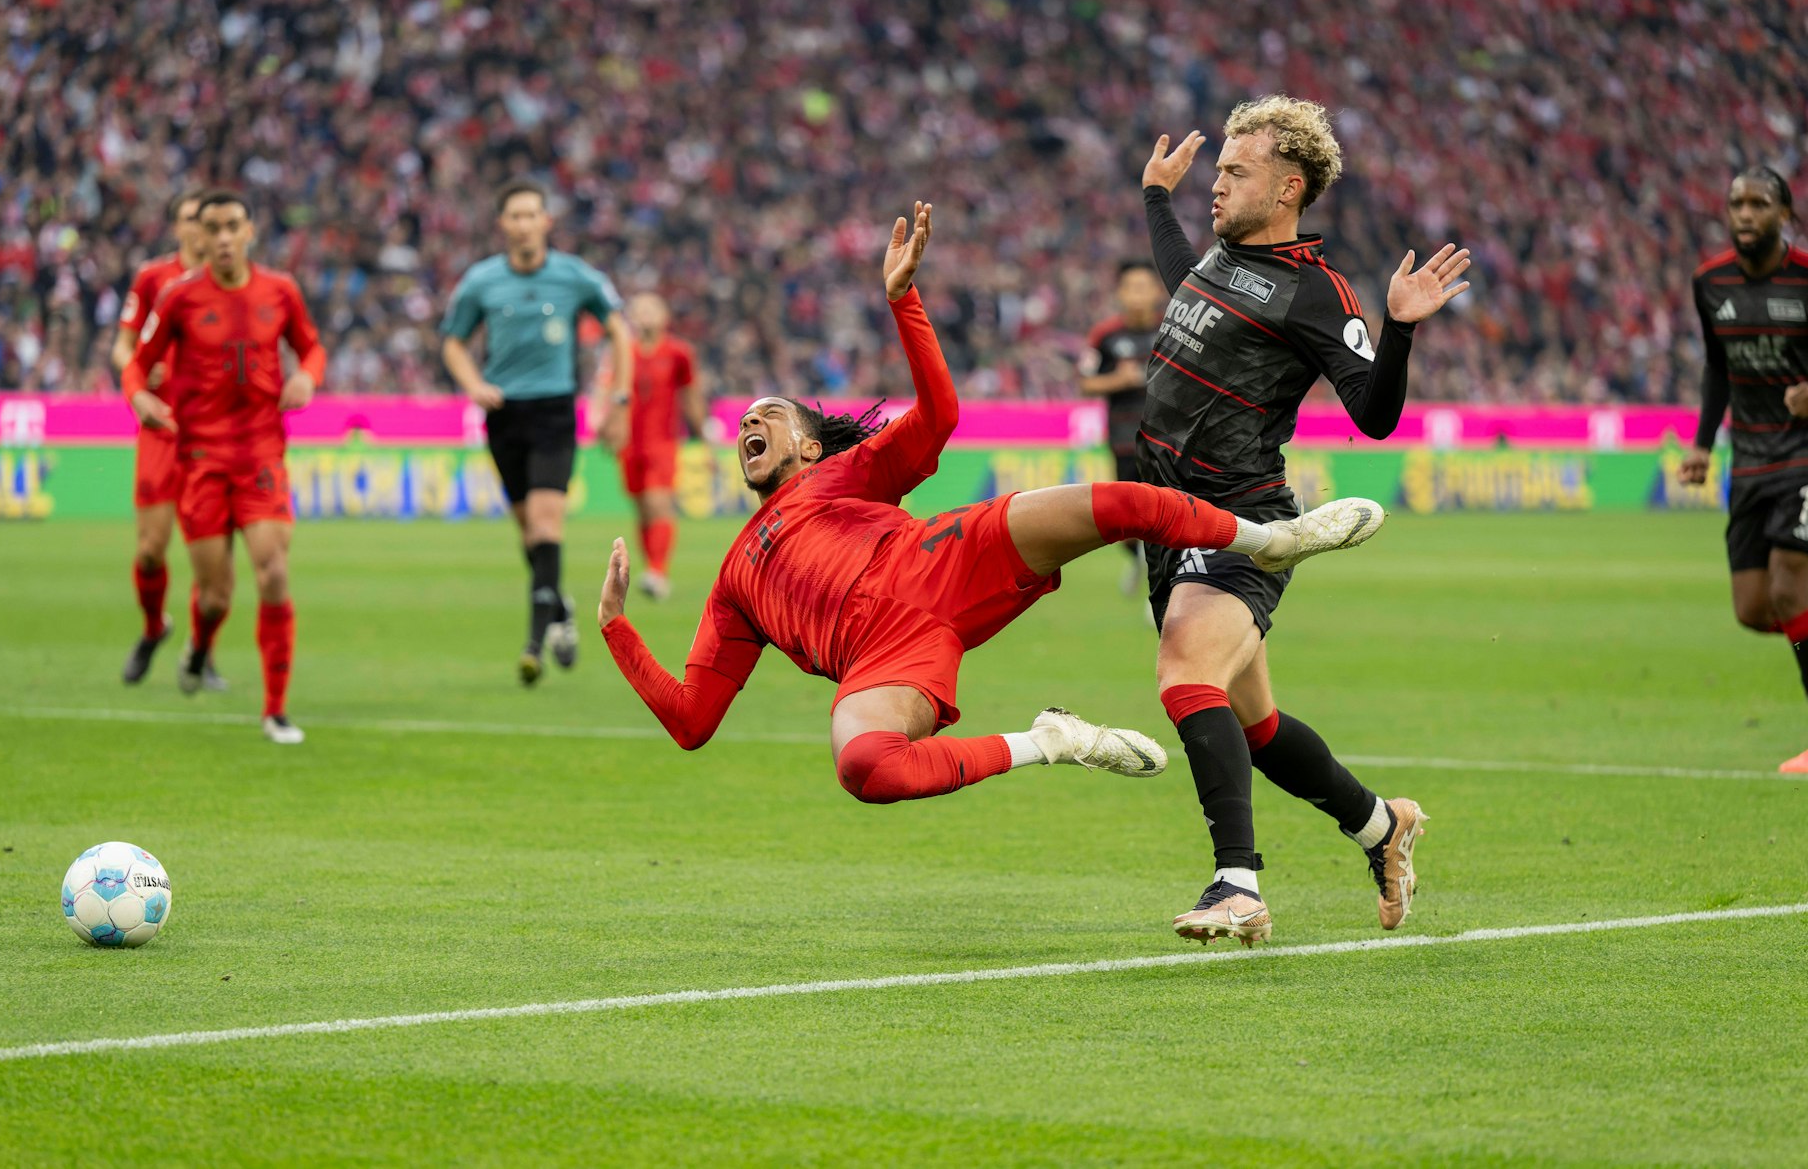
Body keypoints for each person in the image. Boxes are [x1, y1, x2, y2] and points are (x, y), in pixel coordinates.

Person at [598, 202, 1387, 831]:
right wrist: (618, 630)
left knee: (1113, 504)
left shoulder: (841, 474)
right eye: (743, 426)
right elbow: (692, 720)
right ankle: (1049, 741)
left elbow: (939, 414)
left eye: (765, 418)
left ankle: (1272, 538)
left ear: (805, 443)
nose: (746, 428)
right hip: (886, 654)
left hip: (940, 556)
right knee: (865, 767)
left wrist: (904, 301)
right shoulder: (735, 578)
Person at [1136, 98, 1472, 945]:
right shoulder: (1221, 257)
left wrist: (1397, 328)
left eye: (1234, 172)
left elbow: (1375, 412)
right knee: (1255, 727)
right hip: (1168, 524)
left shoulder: (1316, 290)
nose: (1216, 184)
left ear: (1289, 187)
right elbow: (1190, 286)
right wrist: (1155, 202)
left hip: (1240, 522)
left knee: (1184, 675)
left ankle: (1237, 883)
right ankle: (1381, 826)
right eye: (1217, 173)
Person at [122, 189, 327, 745]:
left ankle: (275, 710)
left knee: (274, 572)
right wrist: (140, 398)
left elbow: (311, 348)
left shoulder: (280, 291)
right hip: (201, 461)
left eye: (233, 225)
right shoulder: (177, 297)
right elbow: (136, 367)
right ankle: (199, 644)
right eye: (213, 228)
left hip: (261, 455)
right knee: (214, 595)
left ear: (251, 230)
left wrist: (307, 376)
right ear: (201, 236)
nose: (224, 238)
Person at [442, 179, 634, 685]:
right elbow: (453, 343)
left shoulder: (575, 277)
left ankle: (533, 645)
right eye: (515, 216)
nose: (524, 224)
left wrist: (617, 398)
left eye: (532, 215)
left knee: (548, 525)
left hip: (552, 411)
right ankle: (562, 611)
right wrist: (472, 383)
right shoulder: (481, 281)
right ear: (502, 224)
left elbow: (618, 330)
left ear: (546, 221)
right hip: (503, 414)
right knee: (530, 533)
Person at [1678, 167, 1808, 775]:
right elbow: (1717, 367)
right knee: (1755, 607)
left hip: (1803, 457)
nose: (1746, 214)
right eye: (1736, 203)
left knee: (1790, 589)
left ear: (1786, 214)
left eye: (1759, 203)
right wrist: (1704, 444)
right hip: (1748, 462)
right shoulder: (1710, 281)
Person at [110, 190, 225, 692]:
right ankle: (154, 627)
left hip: (210, 433)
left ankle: (203, 652)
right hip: (160, 429)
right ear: (177, 228)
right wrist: (137, 377)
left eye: (206, 220)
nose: (199, 229)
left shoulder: (230, 284)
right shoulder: (153, 279)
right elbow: (123, 348)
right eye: (189, 220)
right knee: (152, 549)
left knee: (210, 558)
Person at [1078, 260, 1168, 597]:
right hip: (1123, 440)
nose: (1138, 295)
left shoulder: (1173, 328)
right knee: (1127, 520)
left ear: (1157, 292)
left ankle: (1160, 582)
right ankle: (1138, 558)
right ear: (1120, 293)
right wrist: (1120, 379)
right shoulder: (1105, 336)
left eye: (1144, 287)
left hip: (1167, 440)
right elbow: (1085, 383)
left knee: (1164, 510)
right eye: (1131, 288)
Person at [616, 292, 706, 601]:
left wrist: (702, 435)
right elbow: (611, 392)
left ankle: (658, 570)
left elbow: (691, 396)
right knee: (642, 508)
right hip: (630, 443)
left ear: (665, 316)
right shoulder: (624, 353)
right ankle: (652, 568)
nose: (645, 315)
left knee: (658, 502)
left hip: (663, 441)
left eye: (651, 309)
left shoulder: (679, 353)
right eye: (638, 309)